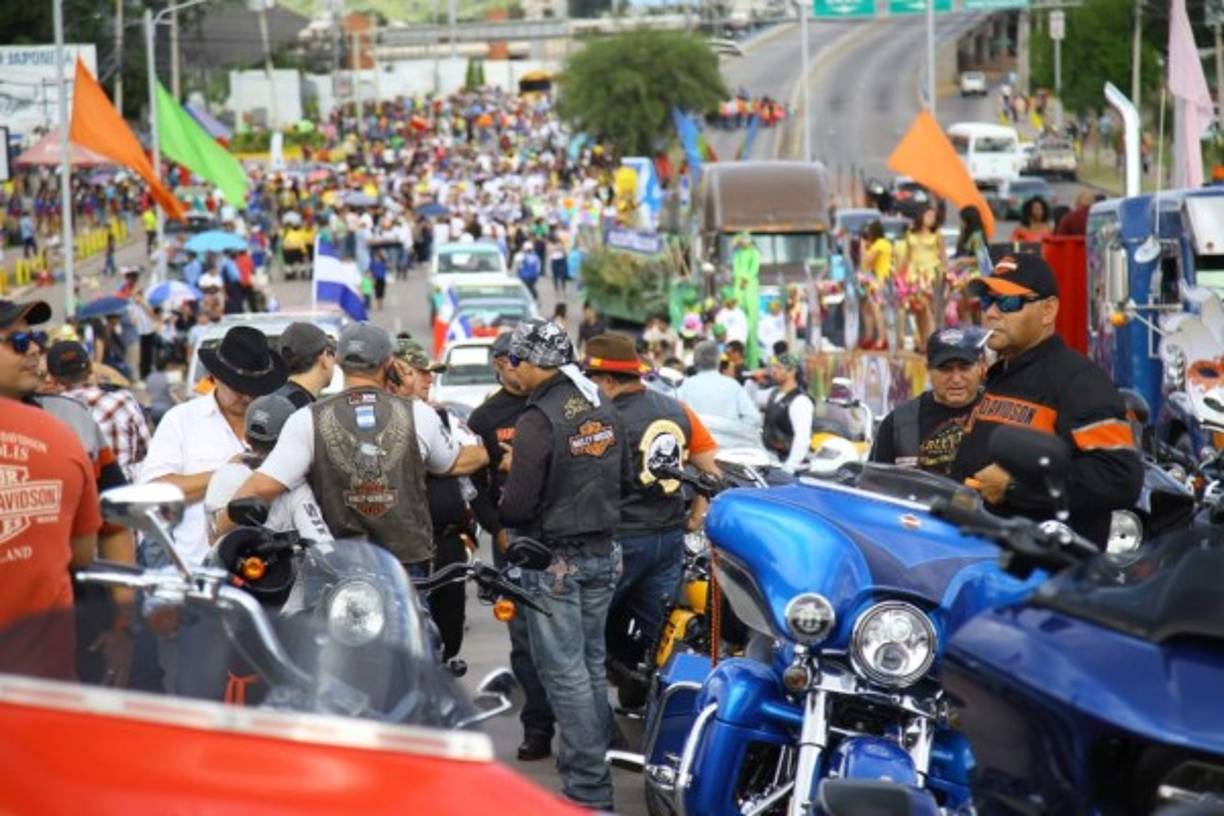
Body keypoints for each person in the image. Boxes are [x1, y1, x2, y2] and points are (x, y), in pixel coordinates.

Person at [226, 324, 488, 576]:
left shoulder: (307, 419)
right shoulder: (418, 413)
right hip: (405, 564)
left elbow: (262, 487)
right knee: (416, 622)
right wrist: (479, 447)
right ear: (389, 363)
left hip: (340, 567)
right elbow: (450, 462)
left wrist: (220, 522)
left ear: (338, 362)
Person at [497, 319, 627, 811]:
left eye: (515, 361)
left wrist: (510, 474)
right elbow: (626, 473)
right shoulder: (599, 401)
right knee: (590, 668)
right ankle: (597, 773)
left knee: (567, 675)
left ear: (533, 363)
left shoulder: (538, 419)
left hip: (556, 559)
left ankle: (589, 793)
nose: (512, 369)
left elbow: (516, 506)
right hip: (604, 550)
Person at [952, 255, 1144, 545]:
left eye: (1008, 303)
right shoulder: (1000, 375)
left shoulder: (1079, 381)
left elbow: (1120, 477)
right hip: (986, 564)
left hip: (1051, 575)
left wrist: (1015, 487)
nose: (991, 313)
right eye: (987, 301)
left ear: (1048, 310)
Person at [582, 334, 720, 705]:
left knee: (587, 637)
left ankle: (596, 730)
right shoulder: (678, 409)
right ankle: (659, 720)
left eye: (591, 381)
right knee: (659, 640)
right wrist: (695, 516)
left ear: (607, 381)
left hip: (619, 539)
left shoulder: (600, 420)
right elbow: (711, 472)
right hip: (667, 538)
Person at [0, 299, 102, 680]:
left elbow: (96, 543)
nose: (34, 350)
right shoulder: (61, 431)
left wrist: (122, 621)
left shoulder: (68, 422)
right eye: (18, 341)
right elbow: (81, 551)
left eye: (36, 338)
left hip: (45, 679)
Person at [466, 332, 556, 760]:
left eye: (526, 359)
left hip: (560, 537)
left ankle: (589, 728)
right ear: (500, 364)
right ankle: (537, 726)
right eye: (512, 361)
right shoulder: (486, 417)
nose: (518, 368)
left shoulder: (555, 403)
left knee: (568, 635)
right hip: (514, 540)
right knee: (524, 639)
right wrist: (495, 528)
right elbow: (477, 487)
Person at [140, 325, 288, 567]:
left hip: (271, 568)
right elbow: (154, 492)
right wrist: (227, 474)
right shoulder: (181, 420)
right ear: (216, 377)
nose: (248, 397)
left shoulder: (284, 421)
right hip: (199, 568)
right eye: (238, 388)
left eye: (255, 389)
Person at [395, 338, 474, 660]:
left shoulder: (442, 416)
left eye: (432, 373)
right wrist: (444, 462)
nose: (430, 379)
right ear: (397, 373)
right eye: (421, 372)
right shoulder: (378, 419)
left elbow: (475, 456)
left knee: (449, 634)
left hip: (446, 542)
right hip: (399, 546)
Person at [203, 394, 331, 545]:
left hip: (233, 564)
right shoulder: (296, 483)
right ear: (289, 439)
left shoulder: (226, 474)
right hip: (252, 564)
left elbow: (212, 535)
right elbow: (320, 541)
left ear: (246, 437)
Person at [870, 328, 985, 476]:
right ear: (928, 370)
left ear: (981, 367)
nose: (956, 379)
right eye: (945, 369)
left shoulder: (1000, 412)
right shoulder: (899, 423)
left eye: (964, 368)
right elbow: (873, 484)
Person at [46, 340, 151, 482]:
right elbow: (146, 452)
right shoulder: (123, 401)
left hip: (75, 496)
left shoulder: (46, 412)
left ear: (52, 378)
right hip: (122, 493)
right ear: (90, 369)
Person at [676, 339, 761, 427]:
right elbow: (754, 418)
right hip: (727, 439)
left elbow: (671, 414)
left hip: (696, 438)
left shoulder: (685, 386)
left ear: (694, 361)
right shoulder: (732, 386)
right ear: (718, 361)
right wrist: (732, 430)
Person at [757, 354, 814, 473]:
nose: (773, 371)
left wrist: (790, 466)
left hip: (785, 463)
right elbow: (751, 398)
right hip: (770, 461)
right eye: (773, 367)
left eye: (778, 367)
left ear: (791, 371)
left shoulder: (800, 401)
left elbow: (802, 438)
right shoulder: (773, 393)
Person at [275, 322, 337, 409]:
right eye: (332, 353)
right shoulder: (307, 412)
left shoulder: (270, 399)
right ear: (324, 356)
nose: (335, 361)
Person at [859, 219, 891, 350]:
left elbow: (865, 263)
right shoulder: (881, 244)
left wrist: (862, 246)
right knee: (867, 308)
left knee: (876, 309)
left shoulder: (880, 244)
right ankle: (869, 337)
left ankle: (882, 339)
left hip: (880, 281)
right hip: (878, 279)